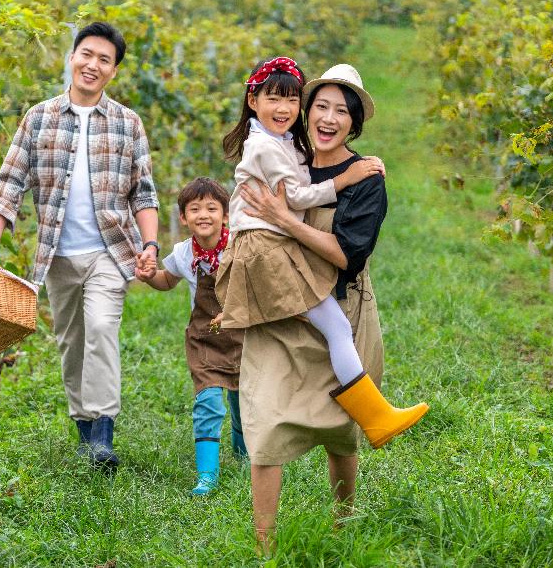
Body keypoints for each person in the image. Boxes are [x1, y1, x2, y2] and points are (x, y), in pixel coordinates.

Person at [234, 63, 420, 551]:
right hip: (281, 308)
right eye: (322, 106)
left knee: (340, 431)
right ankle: (264, 548)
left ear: (354, 124)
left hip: (338, 299)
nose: (329, 118)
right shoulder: (286, 155)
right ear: (305, 112)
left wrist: (286, 220)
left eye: (342, 111)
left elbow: (346, 255)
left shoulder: (364, 179)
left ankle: (345, 523)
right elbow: (251, 214)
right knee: (268, 423)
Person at [0, 22, 160, 471]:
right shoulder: (39, 118)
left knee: (100, 332)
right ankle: (85, 430)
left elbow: (143, 193)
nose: (93, 65)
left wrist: (149, 244)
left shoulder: (127, 123)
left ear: (114, 71)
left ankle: (104, 435)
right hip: (56, 255)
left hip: (111, 252)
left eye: (104, 60)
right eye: (87, 55)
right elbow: (9, 184)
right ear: (72, 57)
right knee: (71, 342)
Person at [137, 177, 246, 496]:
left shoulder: (240, 245)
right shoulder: (184, 253)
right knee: (209, 403)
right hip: (205, 339)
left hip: (244, 336)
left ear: (226, 215)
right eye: (194, 209)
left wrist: (235, 310)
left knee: (243, 402)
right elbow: (166, 280)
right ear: (183, 217)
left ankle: (244, 456)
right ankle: (207, 476)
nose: (203, 215)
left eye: (212, 208)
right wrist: (149, 277)